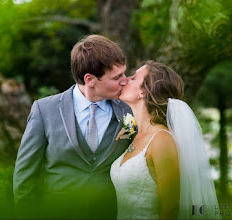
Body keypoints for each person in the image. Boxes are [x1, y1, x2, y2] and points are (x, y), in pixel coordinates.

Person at [13, 34, 132, 219]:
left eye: (124, 73)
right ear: (90, 79)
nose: (125, 81)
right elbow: (25, 176)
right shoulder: (44, 110)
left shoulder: (128, 112)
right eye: (117, 77)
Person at [110, 60, 220, 219]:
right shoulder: (134, 136)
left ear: (144, 92)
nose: (125, 80)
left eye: (133, 78)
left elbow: (171, 209)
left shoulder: (161, 140)